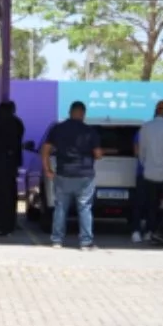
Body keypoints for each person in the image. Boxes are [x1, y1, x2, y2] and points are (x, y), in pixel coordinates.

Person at [43, 100, 104, 251]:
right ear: (83, 114)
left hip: (63, 173)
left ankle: (57, 240)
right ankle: (85, 242)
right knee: (84, 208)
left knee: (61, 208)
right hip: (84, 175)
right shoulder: (90, 131)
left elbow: (45, 150)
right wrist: (99, 153)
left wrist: (48, 169)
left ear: (70, 112)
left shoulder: (57, 129)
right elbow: (97, 154)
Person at [133, 100, 163, 246]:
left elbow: (141, 152)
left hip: (148, 173)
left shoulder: (145, 128)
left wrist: (146, 165)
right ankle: (162, 233)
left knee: (150, 204)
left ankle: (149, 231)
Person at [0, 99, 25, 237]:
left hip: (1, 163)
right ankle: (11, 223)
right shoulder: (17, 122)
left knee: (2, 196)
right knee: (11, 194)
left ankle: (2, 226)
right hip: (12, 164)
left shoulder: (1, 123)